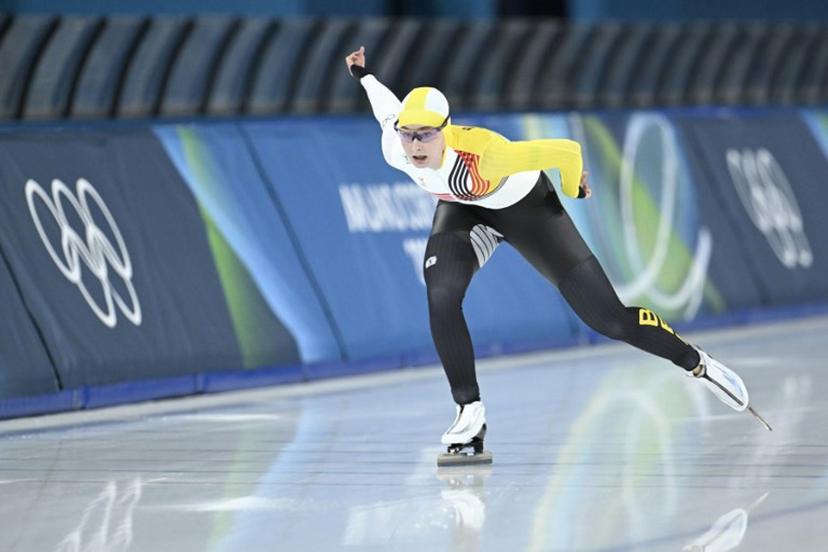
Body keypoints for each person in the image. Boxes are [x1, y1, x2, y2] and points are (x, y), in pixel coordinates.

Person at [343, 47, 770, 464]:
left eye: (426, 135)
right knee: (441, 296)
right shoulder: (394, 144)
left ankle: (697, 363)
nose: (415, 145)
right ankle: (470, 413)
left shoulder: (487, 155)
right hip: (464, 212)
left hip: (527, 212)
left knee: (609, 320)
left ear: (446, 129)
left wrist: (573, 187)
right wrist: (363, 74)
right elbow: (386, 105)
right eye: (409, 134)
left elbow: (566, 151)